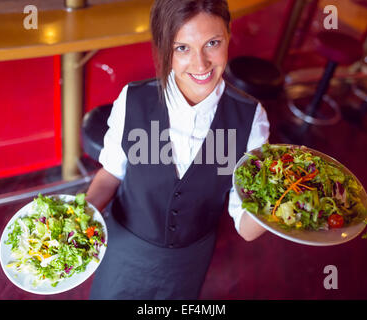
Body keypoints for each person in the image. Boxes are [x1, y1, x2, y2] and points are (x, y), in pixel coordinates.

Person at [87, 0, 270, 300]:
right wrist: (74, 221)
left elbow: (247, 228)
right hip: (124, 249)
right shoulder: (132, 100)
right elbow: (110, 174)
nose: (201, 64)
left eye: (212, 43)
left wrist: (283, 206)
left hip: (188, 261)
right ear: (163, 47)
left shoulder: (251, 118)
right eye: (182, 48)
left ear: (228, 34)